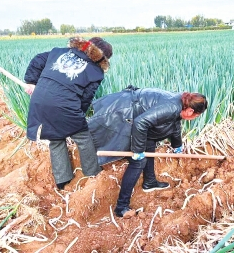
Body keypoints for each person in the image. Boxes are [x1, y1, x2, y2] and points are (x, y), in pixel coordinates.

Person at [87, 85, 208, 217]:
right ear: (190, 111)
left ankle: (150, 182)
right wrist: (137, 150)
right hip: (125, 112)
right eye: (196, 116)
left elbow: (175, 123)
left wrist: (177, 145)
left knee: (150, 142)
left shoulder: (181, 103)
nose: (194, 118)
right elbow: (140, 123)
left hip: (137, 113)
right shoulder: (171, 107)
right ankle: (121, 207)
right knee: (138, 162)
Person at [23, 36, 113, 190]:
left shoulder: (58, 52)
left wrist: (31, 82)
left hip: (39, 101)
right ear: (102, 57)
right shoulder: (96, 72)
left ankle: (62, 180)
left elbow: (38, 60)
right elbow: (86, 98)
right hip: (65, 105)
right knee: (83, 137)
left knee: (55, 138)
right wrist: (78, 118)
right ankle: (92, 174)